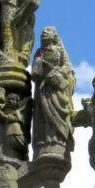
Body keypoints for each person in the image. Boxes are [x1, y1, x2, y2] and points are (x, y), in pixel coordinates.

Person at [31, 27, 76, 157]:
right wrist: (39, 64)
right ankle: (44, 141)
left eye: (47, 31)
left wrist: (58, 72)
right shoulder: (39, 52)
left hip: (56, 89)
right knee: (43, 114)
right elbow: (35, 72)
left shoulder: (60, 51)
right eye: (42, 32)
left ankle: (57, 138)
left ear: (55, 36)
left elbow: (67, 67)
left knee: (57, 112)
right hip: (43, 89)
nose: (43, 33)